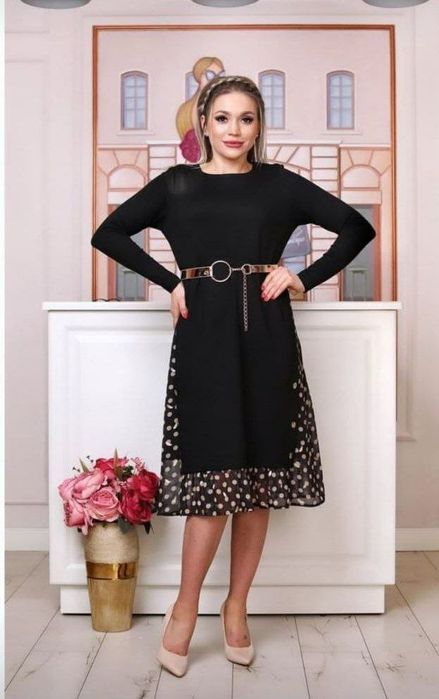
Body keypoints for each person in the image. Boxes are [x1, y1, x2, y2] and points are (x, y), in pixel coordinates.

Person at [91, 74, 376, 677]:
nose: (234, 130)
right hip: (204, 337)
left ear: (258, 125)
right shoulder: (177, 184)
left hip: (268, 335)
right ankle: (184, 608)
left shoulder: (279, 184)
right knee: (214, 475)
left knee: (260, 476)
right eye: (223, 118)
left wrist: (302, 277)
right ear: (203, 122)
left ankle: (237, 606)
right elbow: (107, 233)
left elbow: (357, 227)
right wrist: (170, 282)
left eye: (246, 118)